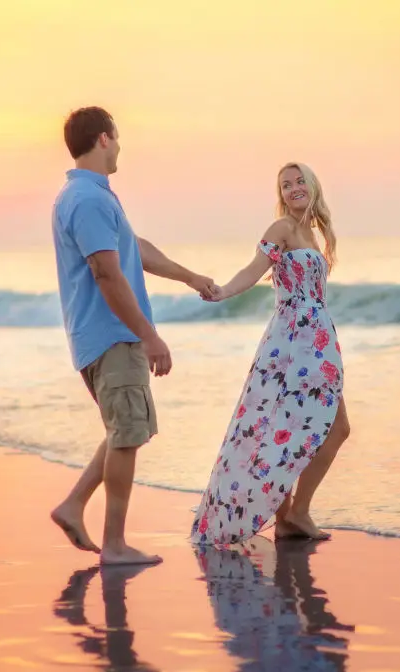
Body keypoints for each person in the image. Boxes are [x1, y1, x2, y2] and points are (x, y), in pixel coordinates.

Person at [49, 106, 217, 565]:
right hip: (112, 335)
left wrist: (189, 276)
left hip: (102, 335)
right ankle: (116, 545)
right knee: (127, 435)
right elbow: (106, 273)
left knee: (124, 429)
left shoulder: (93, 196)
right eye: (117, 138)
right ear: (103, 139)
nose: (120, 146)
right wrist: (149, 335)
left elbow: (131, 251)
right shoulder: (88, 200)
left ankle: (73, 505)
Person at [190, 162, 350, 545]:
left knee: (332, 428)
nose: (294, 188)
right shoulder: (282, 229)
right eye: (286, 185)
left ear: (312, 185)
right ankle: (295, 515)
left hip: (318, 340)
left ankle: (295, 514)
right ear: (281, 196)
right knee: (283, 427)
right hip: (292, 341)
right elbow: (254, 268)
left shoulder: (314, 234)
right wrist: (224, 290)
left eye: (299, 181)